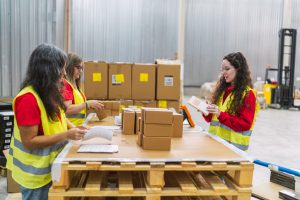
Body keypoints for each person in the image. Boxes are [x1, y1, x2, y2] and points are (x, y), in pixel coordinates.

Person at [6, 44, 88, 200]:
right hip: (35, 175)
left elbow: (60, 116)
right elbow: (29, 141)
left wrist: (74, 128)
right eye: (61, 68)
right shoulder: (28, 99)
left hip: (50, 167)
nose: (64, 73)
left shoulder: (49, 91)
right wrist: (67, 134)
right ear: (47, 69)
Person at [201, 52, 259, 151]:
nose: (223, 73)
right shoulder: (222, 91)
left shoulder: (248, 94)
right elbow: (212, 119)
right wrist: (205, 111)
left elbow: (245, 124)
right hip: (216, 146)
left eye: (227, 69)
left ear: (238, 69)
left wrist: (220, 114)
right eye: (222, 70)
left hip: (234, 150)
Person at [62, 53, 104, 126]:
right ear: (69, 67)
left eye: (81, 68)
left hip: (77, 128)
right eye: (78, 67)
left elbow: (78, 106)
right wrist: (87, 104)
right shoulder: (66, 85)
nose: (81, 71)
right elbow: (66, 109)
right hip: (70, 130)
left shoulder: (76, 87)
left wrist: (91, 105)